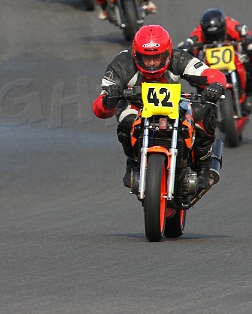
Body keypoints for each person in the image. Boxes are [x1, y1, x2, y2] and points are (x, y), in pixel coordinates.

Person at [92, 24, 226, 192]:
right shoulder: (122, 63)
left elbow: (211, 73)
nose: (152, 64)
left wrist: (215, 86)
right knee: (126, 121)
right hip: (136, 106)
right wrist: (108, 101)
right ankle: (133, 161)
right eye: (146, 58)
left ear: (168, 53)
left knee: (205, 112)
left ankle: (204, 168)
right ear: (135, 55)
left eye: (158, 57)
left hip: (175, 104)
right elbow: (99, 108)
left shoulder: (179, 57)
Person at [178, 8, 252, 113]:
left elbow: (249, 38)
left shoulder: (232, 26)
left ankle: (250, 93)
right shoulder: (199, 30)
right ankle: (203, 99)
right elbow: (191, 41)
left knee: (250, 63)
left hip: (232, 53)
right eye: (211, 36)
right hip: (208, 57)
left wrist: (250, 44)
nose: (214, 38)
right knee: (195, 71)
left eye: (217, 35)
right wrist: (188, 47)